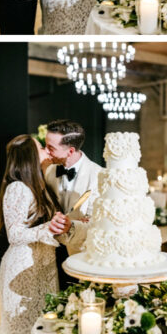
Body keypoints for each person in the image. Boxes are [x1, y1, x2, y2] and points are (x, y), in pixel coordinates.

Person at [0, 134, 65, 334]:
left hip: (42, 267)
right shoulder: (18, 188)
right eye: (40, 148)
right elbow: (15, 234)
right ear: (29, 155)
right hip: (22, 270)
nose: (46, 151)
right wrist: (48, 228)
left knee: (41, 332)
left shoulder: (40, 184)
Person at [43, 119, 103, 288]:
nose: (46, 152)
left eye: (51, 148)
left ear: (70, 150)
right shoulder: (49, 171)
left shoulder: (99, 175)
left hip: (80, 253)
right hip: (52, 250)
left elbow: (99, 224)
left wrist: (72, 225)